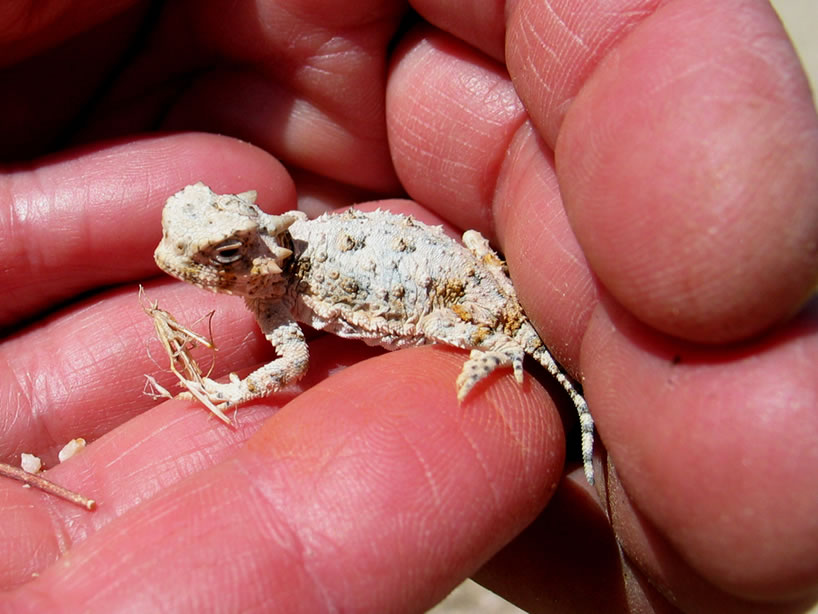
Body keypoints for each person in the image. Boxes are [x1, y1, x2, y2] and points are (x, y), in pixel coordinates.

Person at [0, 1, 816, 612]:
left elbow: (289, 360)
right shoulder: (278, 270)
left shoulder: (284, 289)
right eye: (185, 241)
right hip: (454, 257)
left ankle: (543, 378)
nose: (172, 264)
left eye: (210, 255)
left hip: (454, 299)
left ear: (250, 251)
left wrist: (232, 392)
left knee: (528, 364)